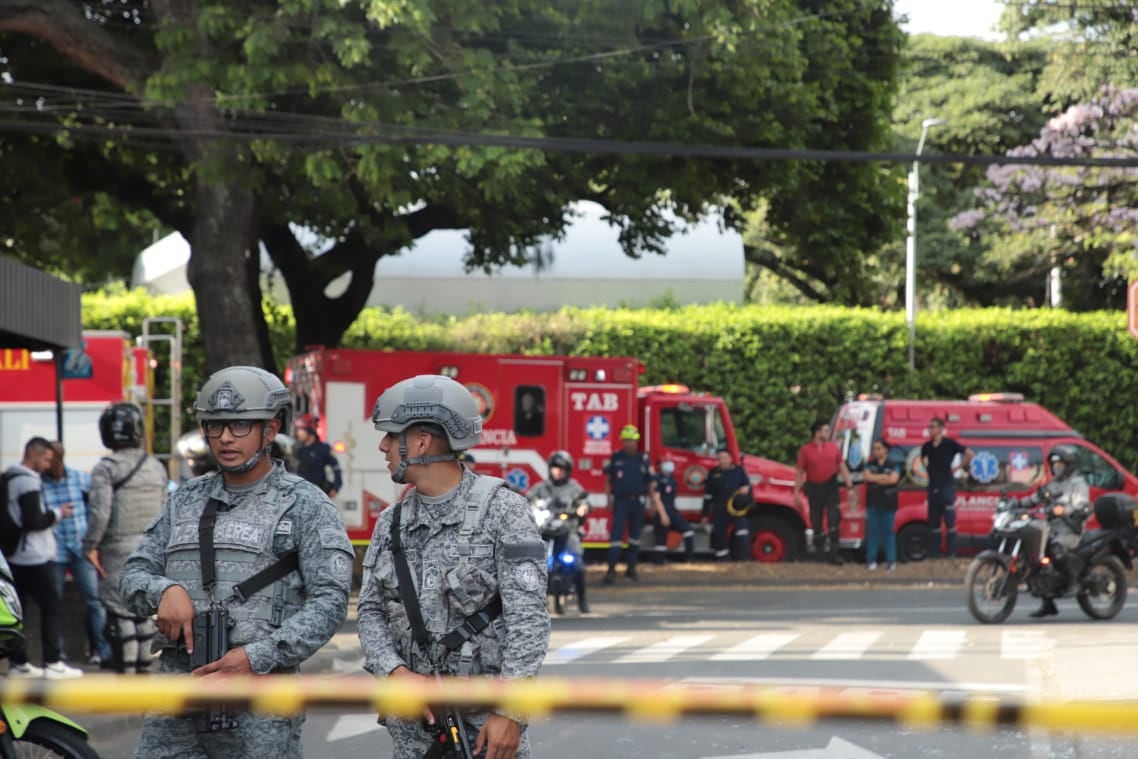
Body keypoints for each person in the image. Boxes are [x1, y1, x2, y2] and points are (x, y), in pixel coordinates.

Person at [121, 366, 354, 758]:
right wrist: (164, 590)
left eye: (241, 425)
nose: (225, 437)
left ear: (270, 429)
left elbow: (330, 602)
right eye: (215, 425)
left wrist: (256, 656)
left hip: (260, 698)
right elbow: (132, 575)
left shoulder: (306, 504)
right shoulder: (185, 499)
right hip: (181, 687)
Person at [358, 374, 550, 759]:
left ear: (422, 441)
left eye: (392, 436)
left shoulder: (502, 511)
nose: (383, 445)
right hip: (413, 730)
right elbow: (370, 611)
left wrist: (510, 714)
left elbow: (528, 619)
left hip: (484, 730)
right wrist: (395, 674)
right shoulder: (391, 522)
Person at [84, 402, 169, 673]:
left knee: (121, 613)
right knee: (143, 610)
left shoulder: (106, 468)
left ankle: (128, 673)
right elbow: (165, 511)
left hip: (116, 549)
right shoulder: (155, 466)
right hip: (151, 548)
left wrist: (89, 545)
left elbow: (99, 513)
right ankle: (145, 669)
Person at [4, 437, 83, 678]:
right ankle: (53, 661)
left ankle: (19, 663)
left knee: (21, 612)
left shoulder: (8, 477)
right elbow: (33, 520)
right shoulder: (28, 481)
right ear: (34, 455)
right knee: (51, 607)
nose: (49, 465)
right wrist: (58, 513)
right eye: (47, 459)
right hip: (34, 557)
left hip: (15, 555)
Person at [43, 441, 111, 667]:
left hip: (82, 546)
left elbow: (97, 505)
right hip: (54, 549)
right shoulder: (40, 483)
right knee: (53, 603)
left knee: (94, 600)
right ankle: (57, 654)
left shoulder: (78, 478)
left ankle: (100, 650)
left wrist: (95, 541)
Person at [1012, 446, 1090, 618]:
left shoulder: (1078, 484)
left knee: (1056, 549)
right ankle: (1048, 603)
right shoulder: (1052, 484)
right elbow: (1035, 498)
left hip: (1070, 529)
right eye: (1054, 464)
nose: (1056, 467)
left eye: (1060, 463)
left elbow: (1081, 505)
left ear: (1068, 465)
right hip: (1051, 528)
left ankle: (1073, 581)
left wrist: (1065, 510)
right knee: (1036, 560)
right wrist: (1016, 503)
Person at [527, 450, 591, 613]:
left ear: (568, 470)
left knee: (577, 564)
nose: (558, 471)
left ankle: (582, 598)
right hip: (545, 530)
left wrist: (583, 507)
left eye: (562, 468)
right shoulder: (541, 487)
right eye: (555, 467)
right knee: (530, 561)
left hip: (567, 530)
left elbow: (585, 501)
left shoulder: (574, 487)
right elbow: (528, 499)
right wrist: (528, 505)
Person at [794, 420, 855, 565]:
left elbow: (842, 467)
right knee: (816, 520)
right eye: (825, 431)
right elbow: (800, 471)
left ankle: (834, 553)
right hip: (814, 487)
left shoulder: (833, 448)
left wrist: (850, 487)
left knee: (834, 518)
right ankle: (819, 552)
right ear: (818, 433)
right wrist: (796, 492)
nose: (828, 434)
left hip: (830, 486)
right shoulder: (806, 450)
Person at [602, 424, 656, 583]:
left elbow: (650, 483)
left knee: (635, 537)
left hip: (638, 502)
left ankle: (631, 569)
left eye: (632, 440)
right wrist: (608, 499)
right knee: (616, 537)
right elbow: (607, 480)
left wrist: (653, 502)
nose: (629, 443)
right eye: (626, 440)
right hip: (620, 501)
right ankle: (611, 570)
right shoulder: (616, 458)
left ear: (636, 442)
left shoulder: (643, 459)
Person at [920, 417, 974, 559]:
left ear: (941, 429)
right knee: (934, 523)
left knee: (950, 522)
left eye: (933, 427)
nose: (930, 430)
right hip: (933, 487)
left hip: (946, 486)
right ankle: (935, 554)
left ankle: (951, 553)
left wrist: (957, 467)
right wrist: (929, 469)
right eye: (929, 427)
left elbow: (969, 453)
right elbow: (922, 459)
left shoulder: (949, 444)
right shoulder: (927, 446)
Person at [702, 448, 752, 562]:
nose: (723, 461)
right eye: (720, 459)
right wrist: (704, 515)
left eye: (725, 458)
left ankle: (744, 560)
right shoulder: (713, 473)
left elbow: (747, 485)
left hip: (736, 509)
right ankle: (723, 561)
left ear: (730, 459)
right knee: (719, 535)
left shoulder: (739, 471)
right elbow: (707, 496)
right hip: (720, 510)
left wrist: (746, 489)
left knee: (742, 533)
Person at [863, 439, 902, 571]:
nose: (876, 451)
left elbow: (893, 479)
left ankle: (891, 561)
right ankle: (871, 560)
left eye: (879, 448)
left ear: (886, 449)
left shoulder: (893, 464)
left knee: (889, 532)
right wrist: (883, 477)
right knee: (872, 532)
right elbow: (867, 477)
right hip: (872, 502)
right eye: (875, 448)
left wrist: (877, 478)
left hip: (888, 502)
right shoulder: (870, 464)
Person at [651, 458, 694, 563]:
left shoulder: (672, 479)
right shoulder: (657, 479)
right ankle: (659, 561)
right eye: (665, 462)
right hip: (662, 512)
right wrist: (663, 515)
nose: (669, 465)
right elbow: (656, 498)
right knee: (661, 539)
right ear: (661, 465)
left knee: (688, 531)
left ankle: (689, 559)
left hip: (672, 511)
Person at [292, 413, 342, 497]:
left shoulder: (323, 448)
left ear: (310, 430)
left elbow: (336, 468)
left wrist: (336, 487)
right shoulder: (296, 449)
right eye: (297, 430)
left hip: (318, 493)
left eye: (301, 429)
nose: (298, 433)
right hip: (299, 493)